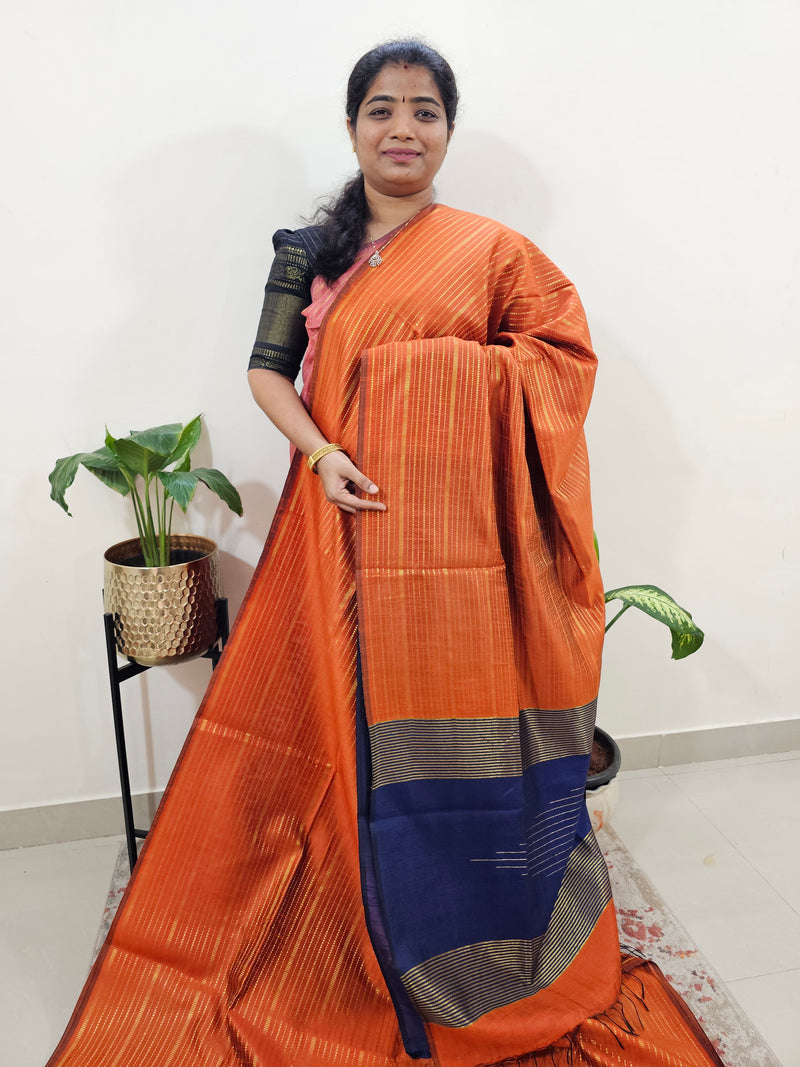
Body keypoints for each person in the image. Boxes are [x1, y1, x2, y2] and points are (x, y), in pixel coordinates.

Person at [48, 39, 722, 1067]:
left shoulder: (493, 254)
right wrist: (320, 454)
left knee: (454, 726)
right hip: (335, 521)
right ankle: (342, 907)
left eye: (424, 110)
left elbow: (558, 364)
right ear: (352, 125)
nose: (402, 128)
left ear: (446, 129)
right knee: (330, 720)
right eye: (381, 108)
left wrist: (433, 375)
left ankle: (462, 908)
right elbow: (267, 372)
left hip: (455, 554)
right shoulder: (306, 250)